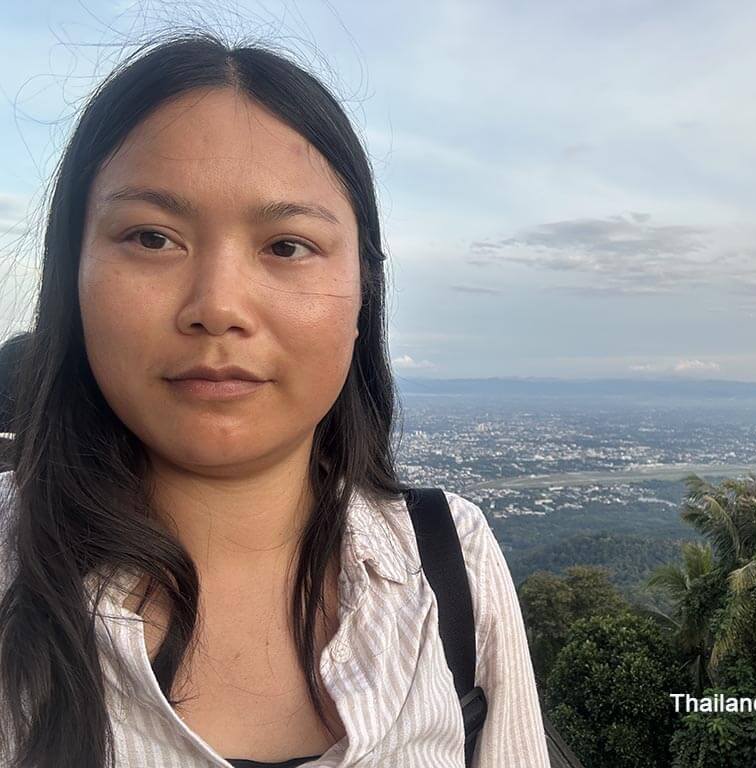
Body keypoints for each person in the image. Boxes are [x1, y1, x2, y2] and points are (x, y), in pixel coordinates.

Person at [0, 30, 550, 768]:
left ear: (364, 291)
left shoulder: (451, 563)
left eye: (287, 245)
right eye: (152, 238)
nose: (218, 306)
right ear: (72, 277)